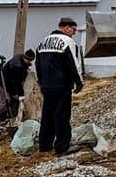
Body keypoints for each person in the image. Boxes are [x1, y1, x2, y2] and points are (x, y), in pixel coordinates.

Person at [35, 17, 84, 156]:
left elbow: (38, 65)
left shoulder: (43, 42)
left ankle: (45, 145)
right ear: (66, 27)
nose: (74, 33)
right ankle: (62, 147)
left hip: (47, 86)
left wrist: (41, 82)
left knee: (47, 116)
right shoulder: (67, 41)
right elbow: (74, 64)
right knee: (62, 115)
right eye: (73, 30)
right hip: (62, 85)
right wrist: (79, 82)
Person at [0, 49, 35, 124]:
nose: (29, 62)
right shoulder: (16, 66)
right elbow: (14, 82)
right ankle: (1, 120)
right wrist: (16, 94)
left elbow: (18, 82)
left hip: (12, 83)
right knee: (5, 102)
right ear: (25, 57)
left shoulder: (22, 60)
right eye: (28, 60)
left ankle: (12, 118)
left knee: (15, 101)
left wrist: (20, 94)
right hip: (3, 82)